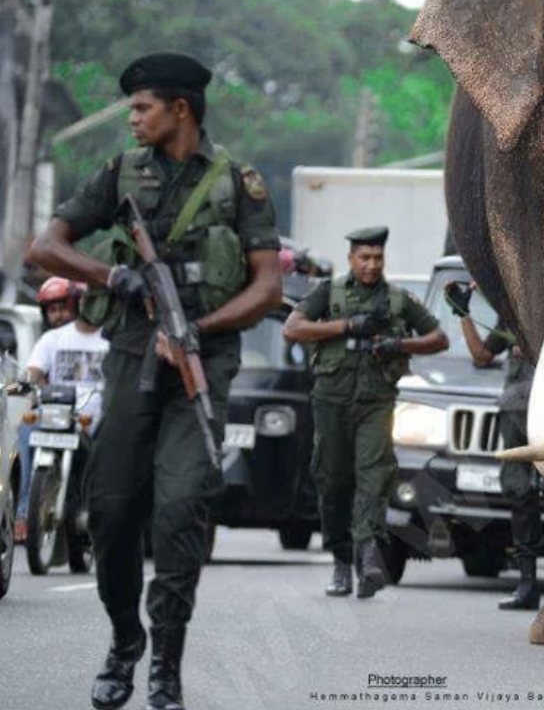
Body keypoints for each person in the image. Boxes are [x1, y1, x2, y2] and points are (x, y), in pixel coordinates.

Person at [26, 52, 284, 710]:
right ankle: (124, 640)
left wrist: (201, 328)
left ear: (181, 110)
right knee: (110, 511)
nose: (132, 118)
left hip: (201, 363)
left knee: (179, 514)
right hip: (132, 354)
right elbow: (44, 246)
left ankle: (165, 663)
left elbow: (266, 285)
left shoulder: (238, 184)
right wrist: (114, 277)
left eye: (142, 107)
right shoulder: (120, 173)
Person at [283, 226, 447, 600]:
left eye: (377, 258)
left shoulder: (397, 300)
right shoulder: (330, 293)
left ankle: (369, 555)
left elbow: (438, 338)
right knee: (333, 481)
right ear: (351, 259)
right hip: (331, 401)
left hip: (375, 402)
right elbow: (292, 329)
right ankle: (341, 562)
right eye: (364, 257)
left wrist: (398, 344)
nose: (371, 265)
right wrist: (345, 327)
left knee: (373, 478)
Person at [449, 282, 544, 611]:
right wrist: (463, 313)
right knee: (518, 490)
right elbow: (482, 355)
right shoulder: (512, 312)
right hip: (516, 410)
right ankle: (527, 583)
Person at [17, 278, 110, 544]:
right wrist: (21, 388)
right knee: (24, 429)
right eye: (52, 310)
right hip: (56, 416)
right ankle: (24, 512)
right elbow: (32, 373)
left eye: (63, 308)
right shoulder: (51, 340)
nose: (58, 315)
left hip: (93, 421)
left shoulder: (110, 339)